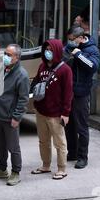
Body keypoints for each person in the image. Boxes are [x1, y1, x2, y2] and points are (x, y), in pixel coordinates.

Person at [0, 44, 29, 186]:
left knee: (13, 147)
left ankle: (15, 172)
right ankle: (1, 169)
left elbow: (23, 99)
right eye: (5, 54)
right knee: (0, 145)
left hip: (10, 117)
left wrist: (16, 117)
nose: (6, 57)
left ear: (17, 57)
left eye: (9, 55)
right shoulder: (3, 70)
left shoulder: (22, 75)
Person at [31, 39, 73, 180]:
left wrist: (66, 113)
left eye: (50, 49)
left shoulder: (65, 70)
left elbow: (68, 93)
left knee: (59, 142)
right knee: (43, 141)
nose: (47, 52)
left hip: (56, 113)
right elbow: (36, 82)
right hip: (41, 111)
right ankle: (46, 165)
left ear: (57, 50)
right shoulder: (42, 66)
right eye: (46, 49)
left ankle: (62, 168)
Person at [64, 26, 100, 169]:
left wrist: (79, 55)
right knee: (68, 124)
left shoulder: (92, 50)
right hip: (68, 92)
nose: (70, 42)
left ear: (80, 38)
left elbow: (93, 66)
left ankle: (82, 157)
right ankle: (71, 152)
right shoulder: (68, 47)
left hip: (81, 92)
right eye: (69, 39)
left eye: (72, 40)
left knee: (81, 126)